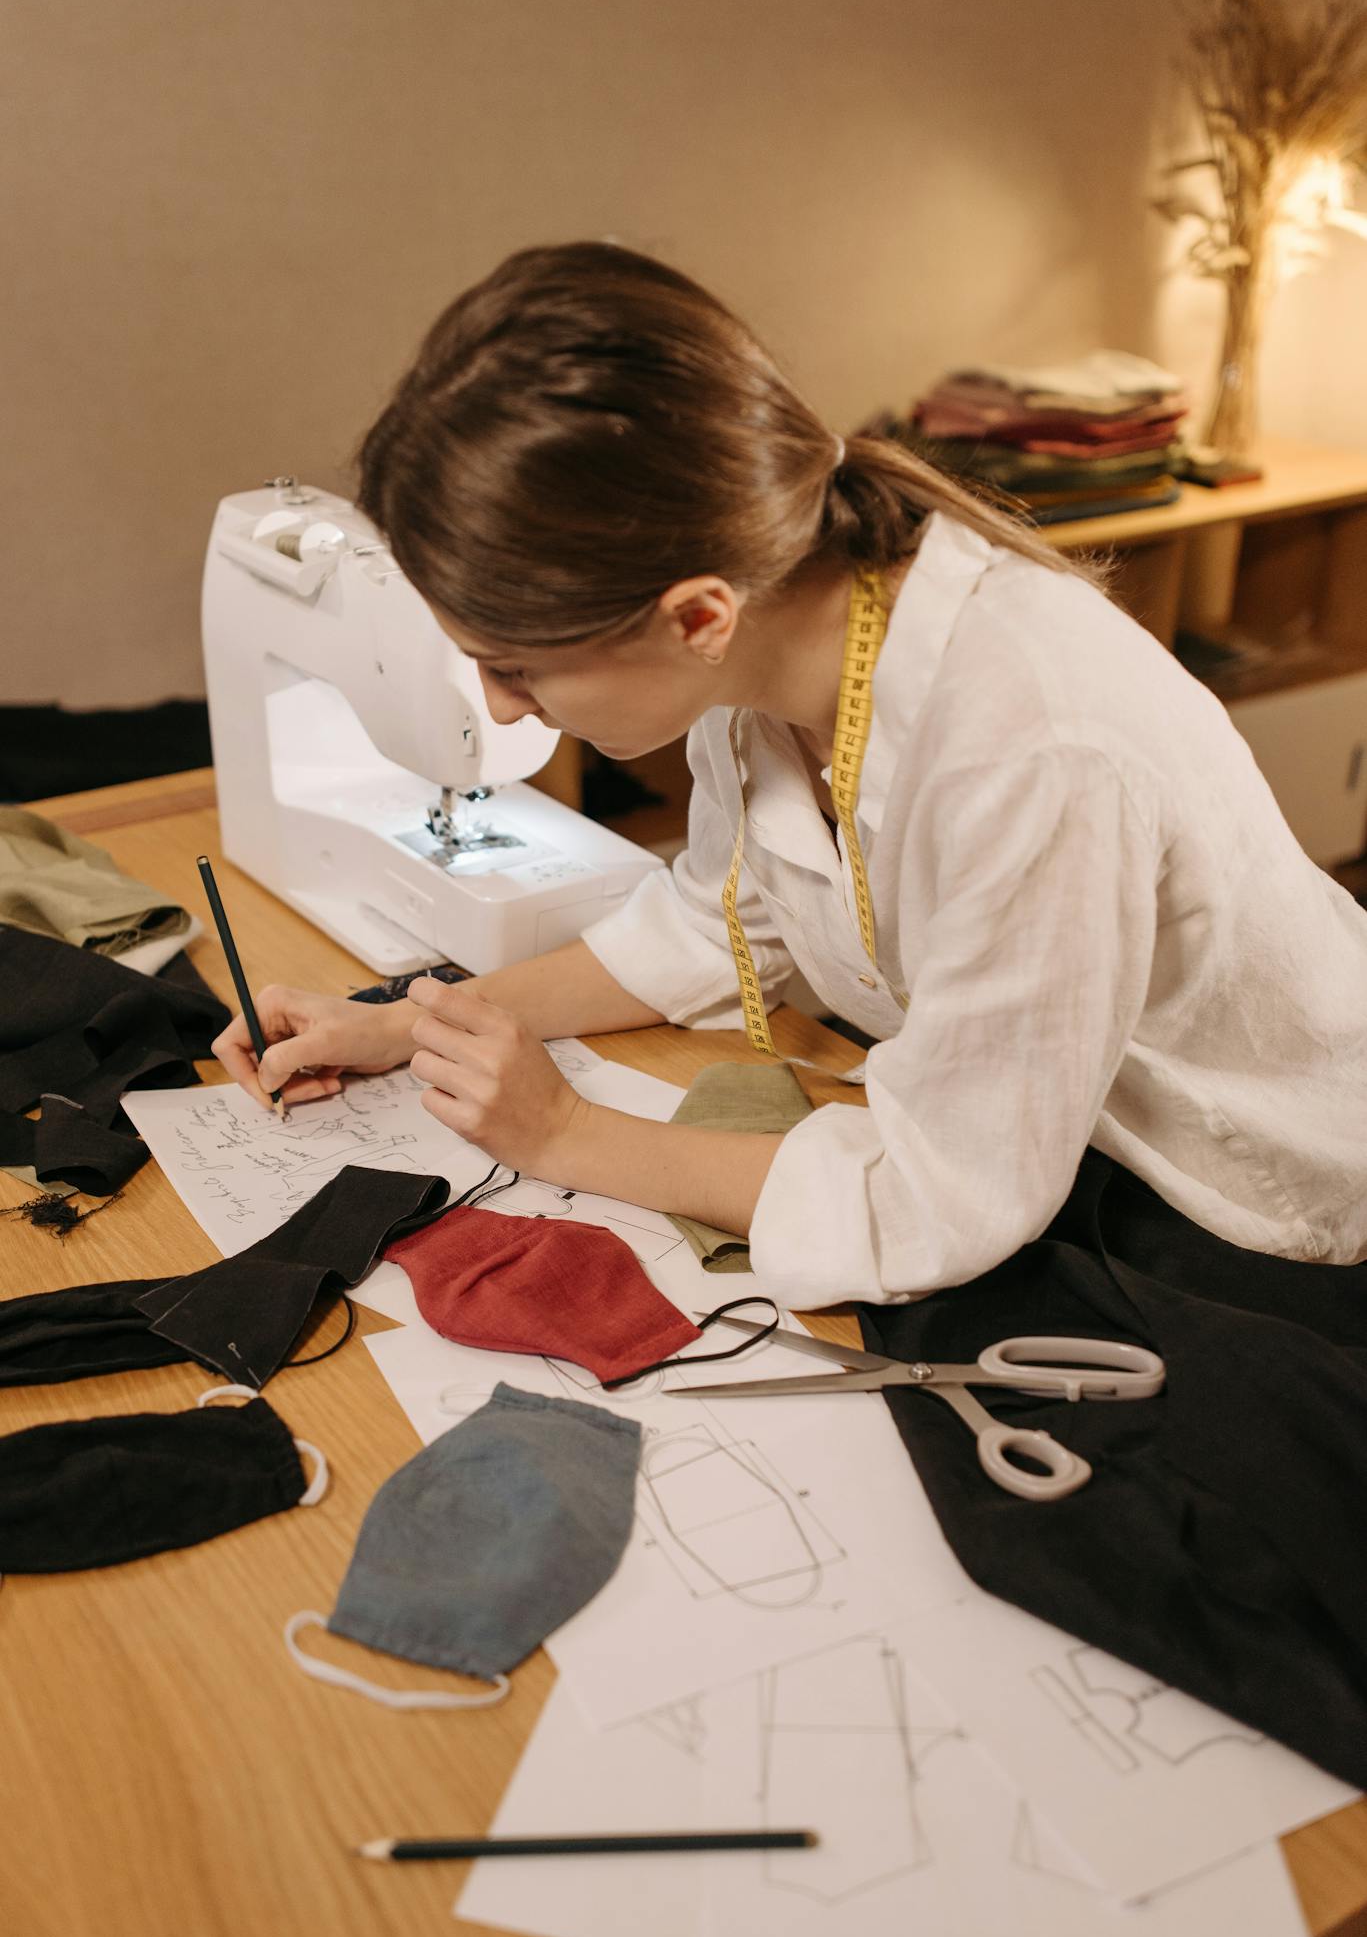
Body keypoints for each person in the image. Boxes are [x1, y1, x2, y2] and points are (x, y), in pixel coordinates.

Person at [213, 241, 1367, 1304]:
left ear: (694, 615)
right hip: (1073, 1139)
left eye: (514, 669)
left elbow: (942, 1196)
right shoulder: (774, 660)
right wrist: (410, 1023)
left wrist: (563, 1135)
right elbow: (717, 925)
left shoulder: (1028, 747)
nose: (502, 707)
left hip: (1259, 1196)